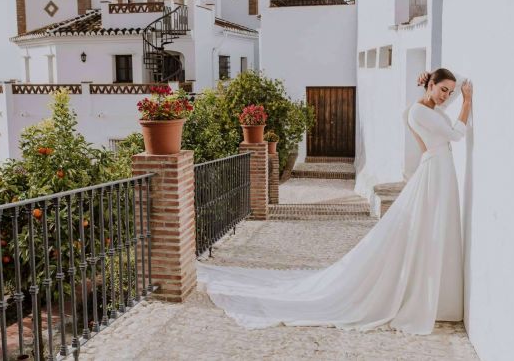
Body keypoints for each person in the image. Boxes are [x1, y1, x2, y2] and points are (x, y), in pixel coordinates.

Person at [197, 69, 474, 335]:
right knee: (423, 231)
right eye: (442, 90)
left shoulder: (427, 111)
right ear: (430, 86)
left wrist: (436, 78)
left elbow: (451, 98)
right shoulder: (419, 112)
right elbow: (457, 135)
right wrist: (467, 100)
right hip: (435, 170)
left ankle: (432, 296)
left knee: (433, 232)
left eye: (450, 92)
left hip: (439, 169)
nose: (446, 96)